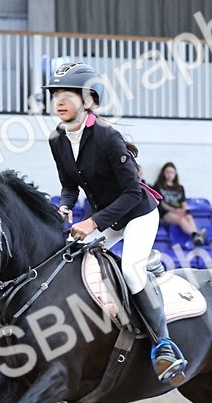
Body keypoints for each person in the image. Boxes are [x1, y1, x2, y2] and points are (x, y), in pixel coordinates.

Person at [43, 61, 187, 384]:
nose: (59, 100)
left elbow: (133, 194)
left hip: (137, 213)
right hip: (106, 216)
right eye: (55, 94)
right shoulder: (57, 140)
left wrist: (93, 223)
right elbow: (69, 185)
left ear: (89, 100)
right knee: (72, 257)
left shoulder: (108, 137)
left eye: (68, 93)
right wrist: (65, 207)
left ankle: (163, 345)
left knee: (131, 272)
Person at [152, 162, 205, 246]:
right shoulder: (158, 186)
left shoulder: (180, 188)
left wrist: (184, 210)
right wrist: (175, 210)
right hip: (166, 213)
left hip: (179, 211)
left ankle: (196, 235)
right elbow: (161, 204)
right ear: (163, 173)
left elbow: (183, 202)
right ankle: (195, 235)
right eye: (167, 172)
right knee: (181, 220)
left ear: (175, 174)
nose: (169, 175)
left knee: (189, 217)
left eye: (172, 172)